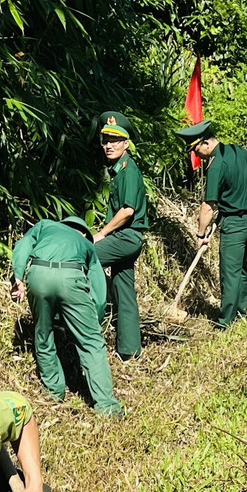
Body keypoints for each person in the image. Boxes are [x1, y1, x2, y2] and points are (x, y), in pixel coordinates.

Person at [11, 217, 125, 417]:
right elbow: (98, 288)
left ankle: (54, 392)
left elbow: (23, 245)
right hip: (71, 277)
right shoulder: (85, 244)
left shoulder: (45, 225)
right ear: (83, 232)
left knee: (43, 335)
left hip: (38, 274)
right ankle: (107, 407)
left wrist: (18, 276)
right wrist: (94, 321)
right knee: (91, 343)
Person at [179, 120, 247, 329]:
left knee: (230, 273)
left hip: (234, 225)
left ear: (205, 143)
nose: (196, 155)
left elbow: (208, 206)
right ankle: (242, 313)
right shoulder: (240, 151)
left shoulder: (215, 165)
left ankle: (226, 321)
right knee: (241, 269)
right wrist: (237, 196)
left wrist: (200, 234)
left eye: (196, 150)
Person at [91, 111, 148, 361]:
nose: (109, 145)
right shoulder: (119, 169)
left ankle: (89, 319)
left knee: (85, 258)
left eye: (115, 140)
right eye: (105, 140)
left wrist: (100, 234)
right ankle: (129, 350)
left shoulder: (128, 170)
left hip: (127, 237)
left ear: (126, 143)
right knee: (124, 289)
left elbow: (127, 211)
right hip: (127, 238)